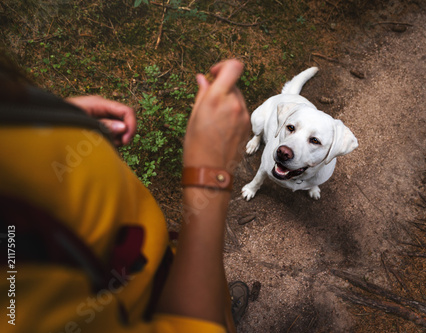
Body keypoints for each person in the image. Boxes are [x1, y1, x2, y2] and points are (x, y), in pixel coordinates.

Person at [0, 55, 251, 332]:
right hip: (161, 311)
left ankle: (220, 308)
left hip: (164, 267)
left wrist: (57, 122)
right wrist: (209, 172)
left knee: (218, 300)